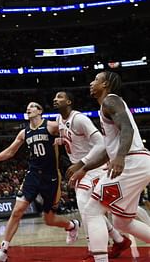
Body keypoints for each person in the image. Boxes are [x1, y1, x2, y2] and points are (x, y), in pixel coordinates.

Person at [0, 102, 80, 262]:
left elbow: (73, 133)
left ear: (40, 111)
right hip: (33, 175)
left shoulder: (51, 126)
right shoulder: (24, 132)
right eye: (27, 107)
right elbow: (11, 151)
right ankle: (2, 251)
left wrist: (62, 140)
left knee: (49, 220)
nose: (28, 108)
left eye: (33, 106)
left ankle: (72, 225)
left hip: (50, 177)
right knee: (17, 211)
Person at [69, 72, 150, 262]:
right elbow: (108, 151)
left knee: (92, 210)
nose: (91, 83)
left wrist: (120, 158)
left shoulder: (111, 101)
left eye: (96, 80)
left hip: (132, 161)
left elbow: (127, 129)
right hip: (138, 162)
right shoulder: (106, 107)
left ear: (105, 84)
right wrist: (85, 168)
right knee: (123, 221)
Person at [53, 91, 132, 259]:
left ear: (69, 101)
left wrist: (82, 163)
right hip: (83, 169)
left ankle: (94, 248)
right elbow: (70, 138)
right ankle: (118, 240)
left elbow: (101, 144)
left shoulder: (80, 119)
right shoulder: (60, 120)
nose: (55, 99)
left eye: (60, 97)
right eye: (55, 97)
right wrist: (61, 140)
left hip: (93, 167)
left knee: (85, 206)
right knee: (90, 209)